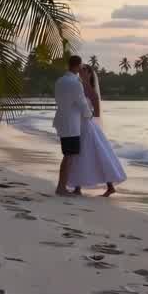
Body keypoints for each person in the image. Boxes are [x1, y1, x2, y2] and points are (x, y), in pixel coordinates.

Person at [67, 64, 127, 196]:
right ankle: (77, 187)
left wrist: (86, 115)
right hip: (78, 124)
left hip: (88, 126)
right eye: (80, 71)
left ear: (89, 74)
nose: (81, 73)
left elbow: (97, 113)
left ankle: (109, 186)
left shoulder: (91, 91)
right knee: (79, 155)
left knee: (95, 155)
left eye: (84, 71)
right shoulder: (77, 87)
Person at [53, 55, 92, 195]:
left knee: (68, 155)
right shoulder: (75, 83)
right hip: (71, 123)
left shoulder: (60, 81)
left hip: (62, 120)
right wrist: (89, 115)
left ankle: (64, 186)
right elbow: (81, 103)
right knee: (69, 156)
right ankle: (61, 187)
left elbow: (59, 100)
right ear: (77, 66)